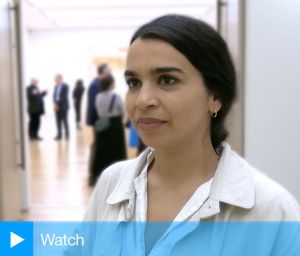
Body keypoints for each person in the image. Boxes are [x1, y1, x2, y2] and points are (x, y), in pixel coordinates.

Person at [83, 15, 300, 255]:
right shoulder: (112, 183)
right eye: (134, 83)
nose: (143, 100)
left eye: (167, 80)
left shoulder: (271, 210)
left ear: (215, 96)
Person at [89, 74, 126, 186]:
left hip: (102, 124)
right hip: (115, 125)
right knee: (116, 150)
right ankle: (118, 176)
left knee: (101, 150)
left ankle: (97, 175)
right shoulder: (116, 96)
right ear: (111, 84)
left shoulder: (98, 96)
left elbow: (98, 110)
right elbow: (122, 111)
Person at [86, 64, 111, 182]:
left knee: (100, 145)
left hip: (101, 120)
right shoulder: (95, 85)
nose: (110, 72)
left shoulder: (99, 84)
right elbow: (94, 105)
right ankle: (93, 174)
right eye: (108, 71)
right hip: (98, 120)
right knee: (97, 146)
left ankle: (98, 172)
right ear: (103, 72)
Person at [53, 74, 69, 140]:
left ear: (61, 79)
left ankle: (67, 135)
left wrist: (57, 105)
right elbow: (54, 96)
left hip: (63, 106)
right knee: (58, 121)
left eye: (57, 79)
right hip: (57, 106)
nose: (56, 81)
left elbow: (64, 97)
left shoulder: (66, 86)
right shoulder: (55, 86)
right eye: (55, 80)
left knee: (65, 121)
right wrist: (55, 104)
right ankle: (59, 135)